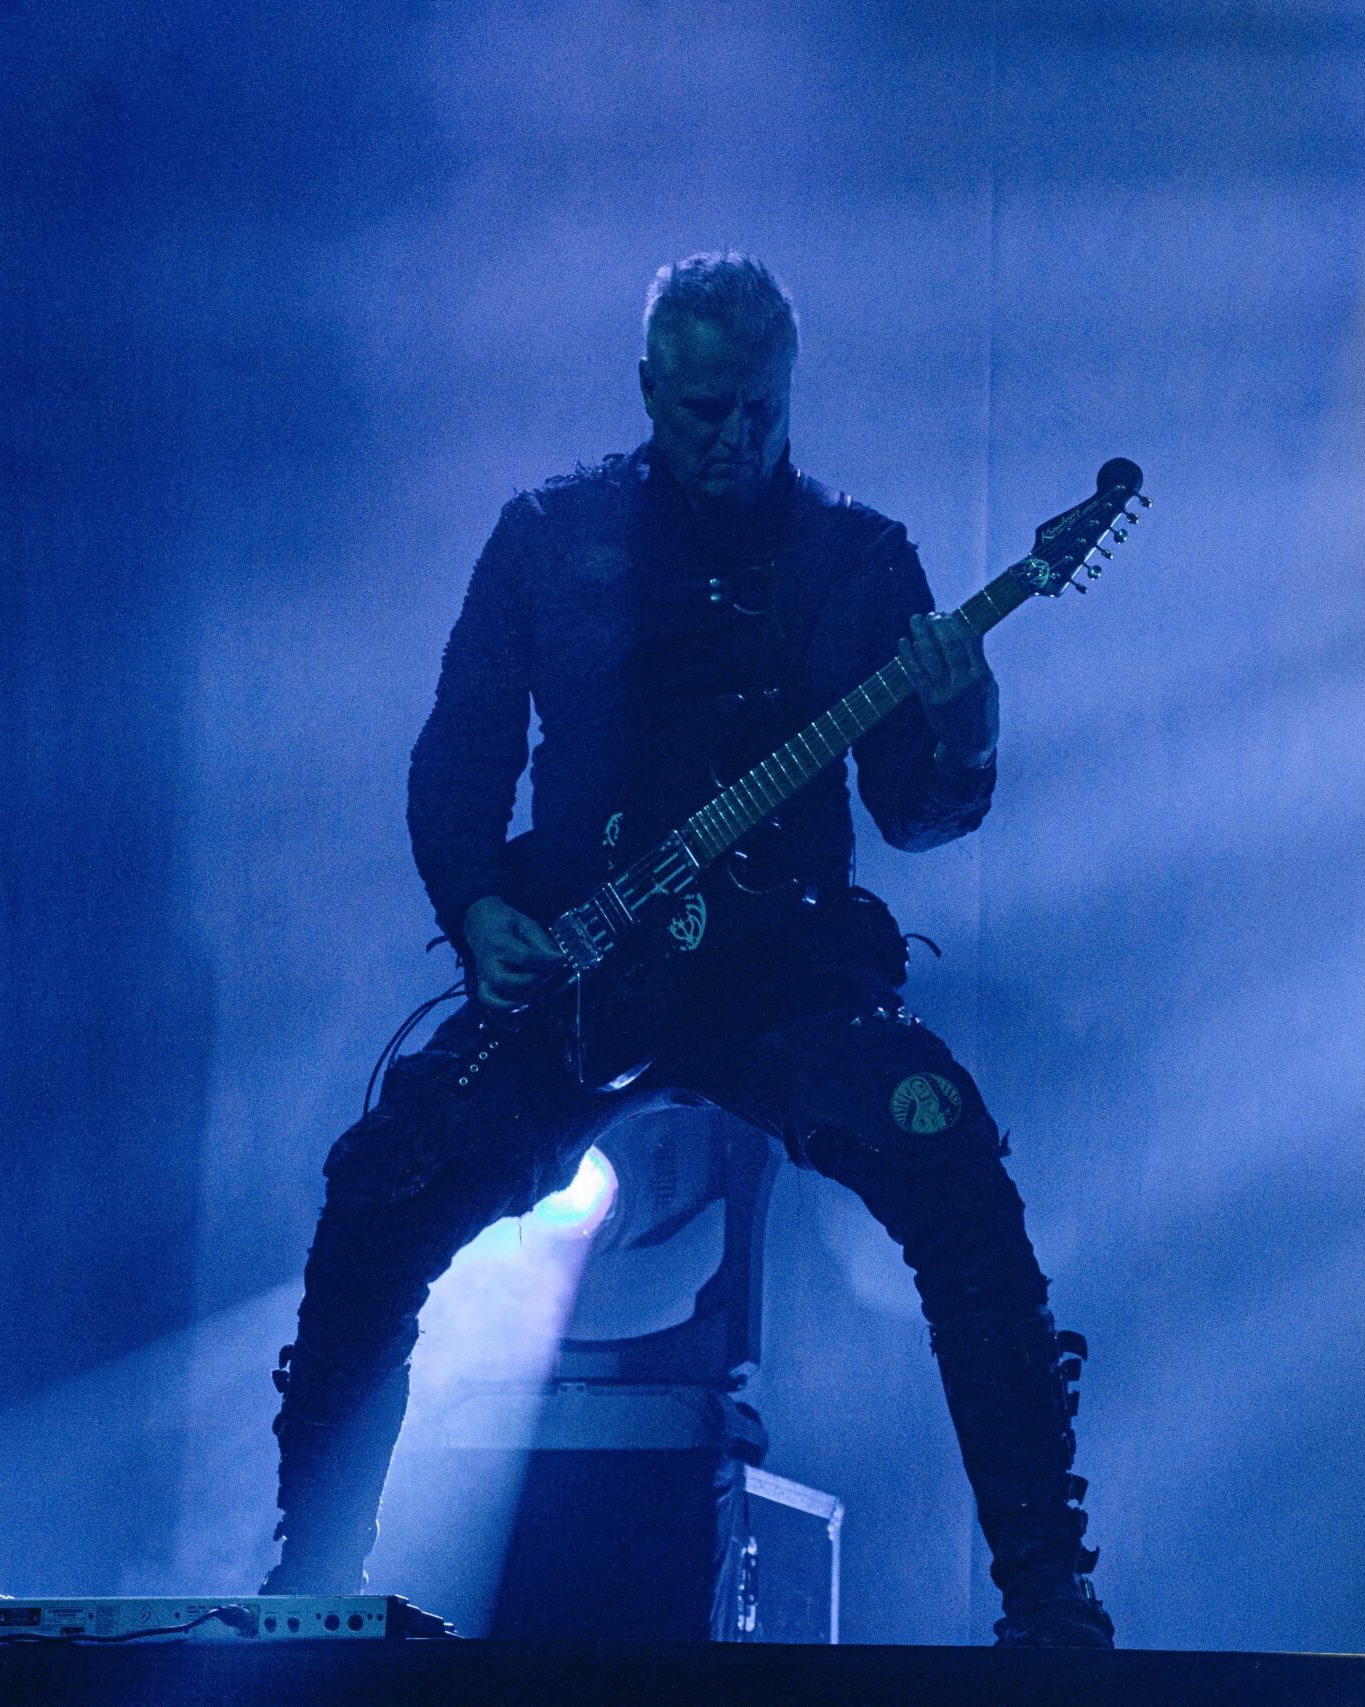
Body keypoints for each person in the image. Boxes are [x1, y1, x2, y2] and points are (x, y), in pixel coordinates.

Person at [263, 252, 1111, 1647]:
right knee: (380, 1189)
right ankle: (310, 1590)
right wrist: (478, 909)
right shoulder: (551, 535)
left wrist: (965, 721)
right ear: (650, 388)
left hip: (780, 975)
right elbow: (460, 753)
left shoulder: (860, 559)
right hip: (578, 969)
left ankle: (1049, 1593)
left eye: (762, 409)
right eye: (706, 408)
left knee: (951, 1163)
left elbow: (917, 814)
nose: (734, 438)